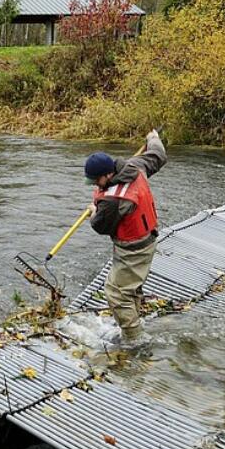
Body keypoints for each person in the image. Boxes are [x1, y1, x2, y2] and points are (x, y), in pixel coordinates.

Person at [84, 129, 166, 345]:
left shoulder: (113, 201)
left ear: (108, 175)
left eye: (96, 180)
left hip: (133, 249)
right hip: (148, 239)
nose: (94, 184)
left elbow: (100, 226)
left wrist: (93, 210)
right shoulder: (135, 166)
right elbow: (158, 155)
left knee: (116, 292)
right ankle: (135, 322)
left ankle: (134, 340)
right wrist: (153, 139)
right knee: (130, 287)